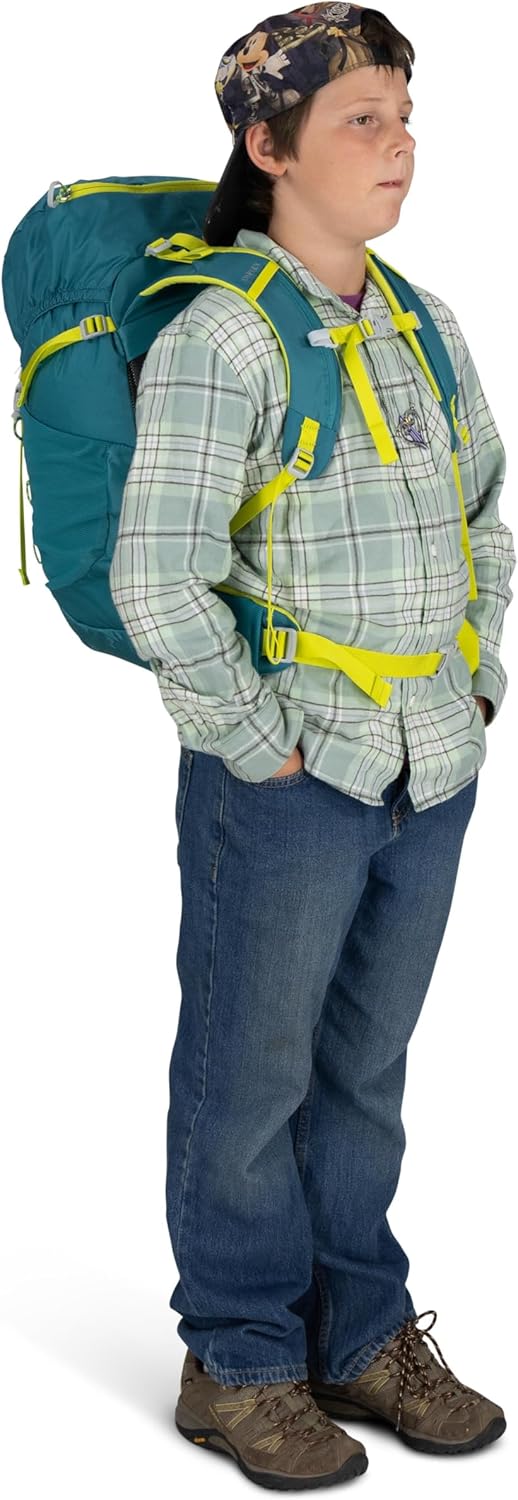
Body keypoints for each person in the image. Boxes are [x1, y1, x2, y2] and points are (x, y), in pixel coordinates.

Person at [108, 5, 513, 1488]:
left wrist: (476, 684)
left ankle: (359, 1335)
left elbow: (485, 512)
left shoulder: (424, 321)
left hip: (431, 764)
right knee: (249, 1075)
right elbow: (158, 574)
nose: (399, 143)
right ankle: (236, 1359)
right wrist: (255, 739)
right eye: (360, 118)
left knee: (365, 1071)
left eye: (403, 113)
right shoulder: (221, 338)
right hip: (287, 780)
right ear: (267, 145)